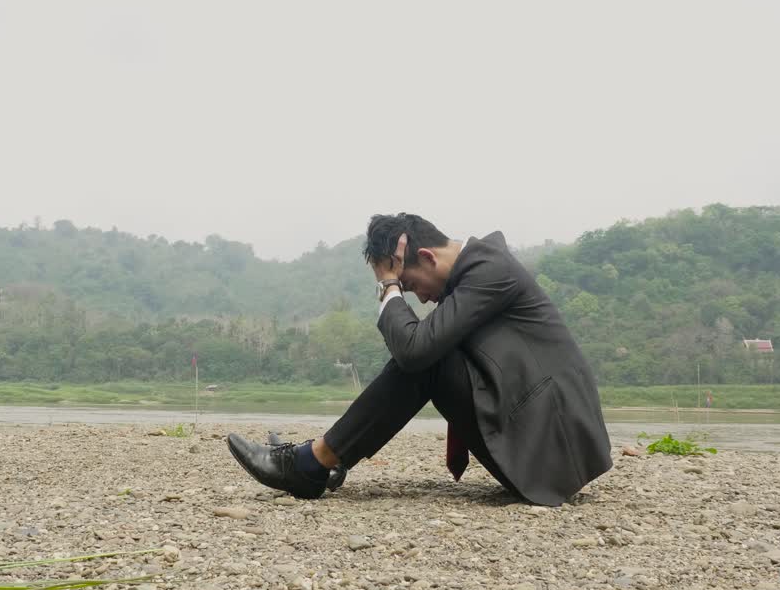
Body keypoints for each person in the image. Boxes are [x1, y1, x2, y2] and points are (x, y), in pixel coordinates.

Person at [226, 213, 612, 506]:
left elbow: (415, 350)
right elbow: (417, 345)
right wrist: (396, 287)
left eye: (411, 285)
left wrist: (389, 288)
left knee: (425, 357)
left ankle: (313, 464)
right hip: (538, 440)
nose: (421, 298)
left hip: (554, 452)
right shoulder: (474, 275)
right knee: (424, 351)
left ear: (426, 257)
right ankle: (323, 458)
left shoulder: (491, 269)